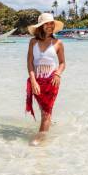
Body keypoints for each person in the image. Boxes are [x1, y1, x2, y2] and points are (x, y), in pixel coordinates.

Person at [26, 13, 66, 146]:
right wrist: (33, 81)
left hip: (52, 81)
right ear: (41, 26)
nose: (49, 26)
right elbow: (30, 62)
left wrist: (58, 74)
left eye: (51, 23)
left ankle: (39, 140)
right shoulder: (33, 42)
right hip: (37, 81)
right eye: (46, 24)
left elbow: (62, 63)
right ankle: (47, 127)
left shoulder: (58, 43)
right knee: (44, 110)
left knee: (46, 113)